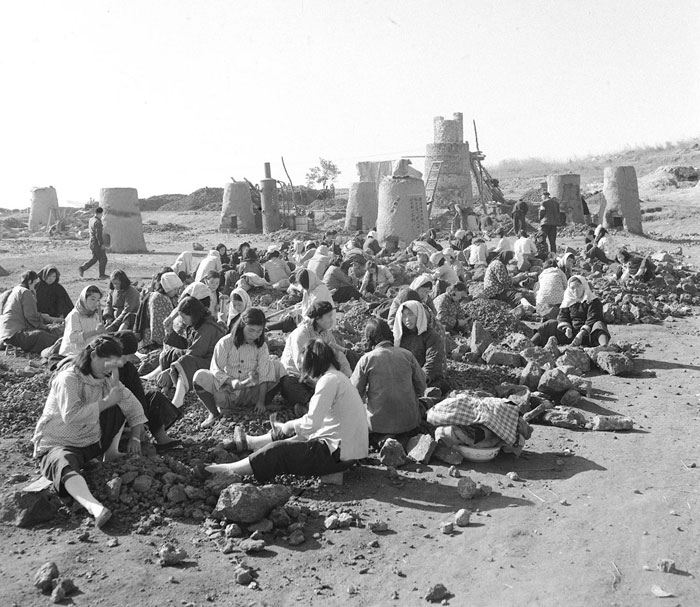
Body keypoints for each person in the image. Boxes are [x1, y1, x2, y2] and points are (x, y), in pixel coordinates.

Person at [205, 339, 368, 482]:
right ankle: (250, 443)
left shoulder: (328, 381)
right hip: (348, 452)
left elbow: (311, 423)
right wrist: (294, 432)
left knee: (278, 451)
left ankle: (226, 470)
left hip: (337, 456)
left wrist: (289, 426)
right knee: (293, 433)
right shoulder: (339, 378)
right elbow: (318, 425)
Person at [32, 336, 148, 529]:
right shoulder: (68, 379)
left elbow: (134, 407)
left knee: (119, 403)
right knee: (64, 462)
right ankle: (95, 508)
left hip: (90, 443)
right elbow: (71, 415)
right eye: (107, 362)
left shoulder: (106, 380)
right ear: (93, 355)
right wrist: (106, 402)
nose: (110, 368)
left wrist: (135, 436)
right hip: (58, 442)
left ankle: (107, 453)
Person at [194, 308, 279, 428]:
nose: (254, 335)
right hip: (226, 393)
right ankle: (213, 413)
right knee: (200, 377)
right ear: (242, 325)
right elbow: (216, 369)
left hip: (250, 393)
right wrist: (231, 382)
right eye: (251, 330)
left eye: (259, 331)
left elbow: (265, 374)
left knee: (278, 367)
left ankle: (260, 404)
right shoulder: (225, 343)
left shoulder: (262, 347)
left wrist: (260, 402)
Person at [351, 318, 425, 447]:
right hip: (409, 422)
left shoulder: (366, 360)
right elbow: (421, 387)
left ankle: (383, 439)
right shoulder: (407, 355)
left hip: (377, 425)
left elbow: (354, 394)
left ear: (370, 338)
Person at [148, 296, 227, 408]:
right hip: (200, 357)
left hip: (211, 363)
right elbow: (188, 345)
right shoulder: (198, 323)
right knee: (172, 353)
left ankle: (178, 400)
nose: (183, 320)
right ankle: (165, 382)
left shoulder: (207, 327)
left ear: (193, 315)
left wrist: (170, 370)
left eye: (184, 317)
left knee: (185, 361)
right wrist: (170, 332)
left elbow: (194, 352)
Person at [113, 331, 182, 452]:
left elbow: (139, 395)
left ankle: (161, 438)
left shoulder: (129, 369)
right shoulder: (104, 367)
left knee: (154, 396)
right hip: (113, 410)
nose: (128, 359)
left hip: (132, 408)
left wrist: (141, 422)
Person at [279, 301, 351, 410]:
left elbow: (338, 355)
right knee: (289, 384)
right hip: (299, 376)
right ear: (318, 319)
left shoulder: (326, 333)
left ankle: (315, 404)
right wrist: (322, 384)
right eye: (329, 316)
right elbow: (302, 366)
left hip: (318, 375)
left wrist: (348, 378)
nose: (332, 320)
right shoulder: (301, 335)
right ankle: (310, 406)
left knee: (349, 359)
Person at [531, 275, 610, 347]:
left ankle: (604, 347)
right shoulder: (568, 302)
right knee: (550, 324)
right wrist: (566, 328)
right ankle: (530, 344)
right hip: (572, 335)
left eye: (578, 286)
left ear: (584, 286)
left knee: (599, 324)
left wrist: (581, 333)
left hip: (588, 335)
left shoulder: (593, 301)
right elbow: (562, 316)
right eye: (572, 288)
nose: (575, 290)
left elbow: (593, 318)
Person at [393, 300, 449, 396]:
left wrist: (418, 379)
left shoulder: (431, 335)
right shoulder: (400, 336)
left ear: (418, 315)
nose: (407, 319)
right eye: (404, 316)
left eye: (410, 314)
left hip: (426, 379)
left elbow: (433, 362)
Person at [0, 271, 61, 353]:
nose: (35, 285)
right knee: (46, 336)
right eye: (35, 283)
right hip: (15, 335)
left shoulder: (15, 290)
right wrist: (46, 327)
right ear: (29, 281)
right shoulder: (25, 292)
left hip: (5, 334)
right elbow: (31, 316)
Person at [138, 271, 182, 348]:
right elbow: (158, 326)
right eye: (174, 289)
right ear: (167, 288)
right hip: (155, 343)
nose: (176, 292)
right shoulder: (158, 298)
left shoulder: (171, 297)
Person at [60, 285, 106, 356]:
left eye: (98, 300)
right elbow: (73, 338)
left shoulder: (95, 315)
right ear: (84, 299)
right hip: (73, 354)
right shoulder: (74, 315)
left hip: (90, 352)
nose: (95, 303)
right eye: (92, 299)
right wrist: (95, 332)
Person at [78, 207, 108, 279]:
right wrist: (101, 244)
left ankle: (82, 268)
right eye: (102, 214)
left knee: (95, 258)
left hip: (92, 242)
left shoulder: (91, 220)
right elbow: (98, 235)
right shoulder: (97, 222)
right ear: (100, 213)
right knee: (103, 259)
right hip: (96, 243)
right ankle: (102, 275)